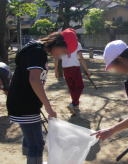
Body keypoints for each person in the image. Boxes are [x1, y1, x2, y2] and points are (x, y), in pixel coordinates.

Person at [6, 29, 78, 164]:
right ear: (59, 44)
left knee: (31, 140)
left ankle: (32, 160)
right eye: (64, 52)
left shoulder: (38, 50)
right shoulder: (37, 51)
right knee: (37, 144)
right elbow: (34, 80)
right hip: (25, 105)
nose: (61, 56)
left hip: (25, 103)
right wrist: (49, 108)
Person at [54, 29, 90, 115]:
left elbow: (56, 59)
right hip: (75, 68)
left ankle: (75, 105)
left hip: (65, 69)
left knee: (72, 88)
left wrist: (56, 71)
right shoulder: (77, 44)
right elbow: (81, 58)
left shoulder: (61, 46)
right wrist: (87, 70)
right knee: (80, 86)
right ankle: (73, 104)